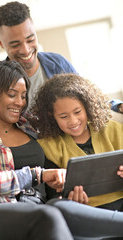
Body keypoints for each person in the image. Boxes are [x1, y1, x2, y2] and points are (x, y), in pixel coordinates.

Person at [0, 60, 74, 240]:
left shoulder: (31, 128)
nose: (20, 102)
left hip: (35, 207)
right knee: (48, 216)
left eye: (23, 96)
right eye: (12, 94)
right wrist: (35, 175)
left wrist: (65, 192)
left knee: (71, 211)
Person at [0, 1, 122, 125]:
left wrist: (117, 105)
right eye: (15, 45)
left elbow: (89, 98)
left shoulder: (58, 64)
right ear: (1, 43)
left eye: (30, 39)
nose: (26, 50)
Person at [28, 72, 123, 239]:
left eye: (78, 112)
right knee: (57, 206)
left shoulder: (113, 130)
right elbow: (53, 194)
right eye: (63, 116)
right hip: (88, 214)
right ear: (51, 116)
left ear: (87, 107)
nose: (73, 121)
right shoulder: (48, 147)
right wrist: (70, 199)